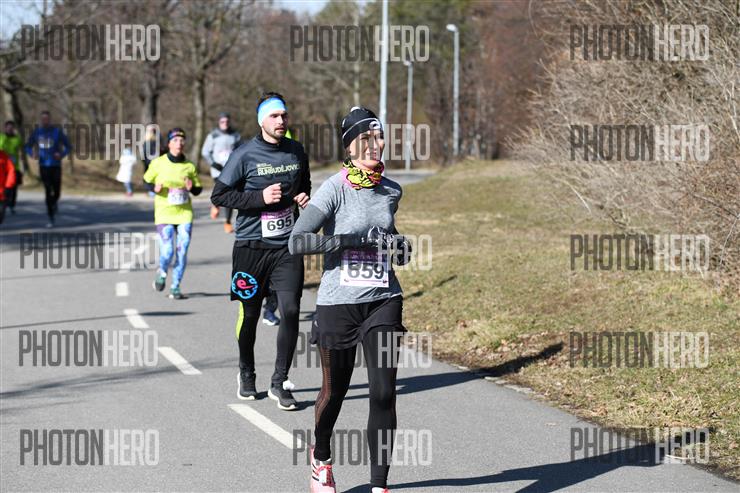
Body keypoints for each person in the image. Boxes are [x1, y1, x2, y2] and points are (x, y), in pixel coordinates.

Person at [288, 107, 412, 493]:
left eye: (379, 138)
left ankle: (379, 485)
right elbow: (297, 241)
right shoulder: (334, 188)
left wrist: (399, 246)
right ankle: (321, 457)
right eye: (365, 139)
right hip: (338, 304)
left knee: (384, 392)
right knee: (334, 392)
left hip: (383, 299)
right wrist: (349, 240)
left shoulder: (391, 190)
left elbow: (390, 236)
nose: (374, 145)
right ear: (350, 147)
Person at [210, 91, 311, 410]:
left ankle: (279, 382)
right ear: (261, 121)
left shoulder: (296, 151)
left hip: (286, 247)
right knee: (250, 314)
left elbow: (305, 185)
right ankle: (246, 372)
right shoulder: (244, 154)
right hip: (250, 248)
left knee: (290, 311)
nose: (281, 121)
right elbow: (219, 195)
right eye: (274, 116)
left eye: (284, 115)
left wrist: (303, 197)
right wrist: (258, 198)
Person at [143, 128, 202, 300]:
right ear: (169, 144)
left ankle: (175, 287)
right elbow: (146, 180)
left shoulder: (189, 166)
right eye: (175, 140)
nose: (179, 143)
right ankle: (162, 272)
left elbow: (198, 189)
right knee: (168, 251)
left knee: (182, 252)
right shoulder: (158, 163)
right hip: (164, 213)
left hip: (184, 214)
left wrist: (192, 187)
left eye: (182, 140)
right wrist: (154, 188)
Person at [24, 111, 71, 227]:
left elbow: (68, 146)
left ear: (50, 120)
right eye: (43, 119)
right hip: (43, 166)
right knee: (47, 189)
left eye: (47, 119)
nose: (45, 121)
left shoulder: (57, 132)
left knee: (57, 191)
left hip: (56, 165)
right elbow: (27, 146)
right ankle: (50, 216)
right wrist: (32, 154)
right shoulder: (37, 132)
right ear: (41, 120)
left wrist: (61, 154)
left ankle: (54, 203)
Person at [202, 112, 241, 233]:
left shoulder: (235, 135)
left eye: (227, 121)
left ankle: (228, 222)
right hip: (217, 170)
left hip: (230, 169)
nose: (225, 124)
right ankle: (215, 204)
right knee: (220, 191)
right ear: (219, 122)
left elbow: (241, 150)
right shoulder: (212, 135)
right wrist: (213, 163)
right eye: (222, 121)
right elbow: (205, 152)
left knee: (229, 194)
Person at [0, 121, 23, 213]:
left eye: (11, 127)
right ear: (5, 128)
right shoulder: (1, 137)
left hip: (14, 167)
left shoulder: (17, 139)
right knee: (4, 187)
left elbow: (21, 151)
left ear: (13, 129)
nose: (10, 129)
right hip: (3, 167)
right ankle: (4, 204)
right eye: (8, 127)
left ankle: (12, 205)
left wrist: (23, 166)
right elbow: (1, 147)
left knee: (14, 187)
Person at [142, 124, 162, 197]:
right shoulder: (147, 141)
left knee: (154, 176)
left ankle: (152, 190)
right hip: (149, 162)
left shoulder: (157, 140)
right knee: (150, 176)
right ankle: (151, 190)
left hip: (154, 162)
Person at [0, 150, 17, 224]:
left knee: (1, 216)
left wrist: (8, 186)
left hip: (2, 193)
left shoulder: (4, 156)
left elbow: (11, 170)